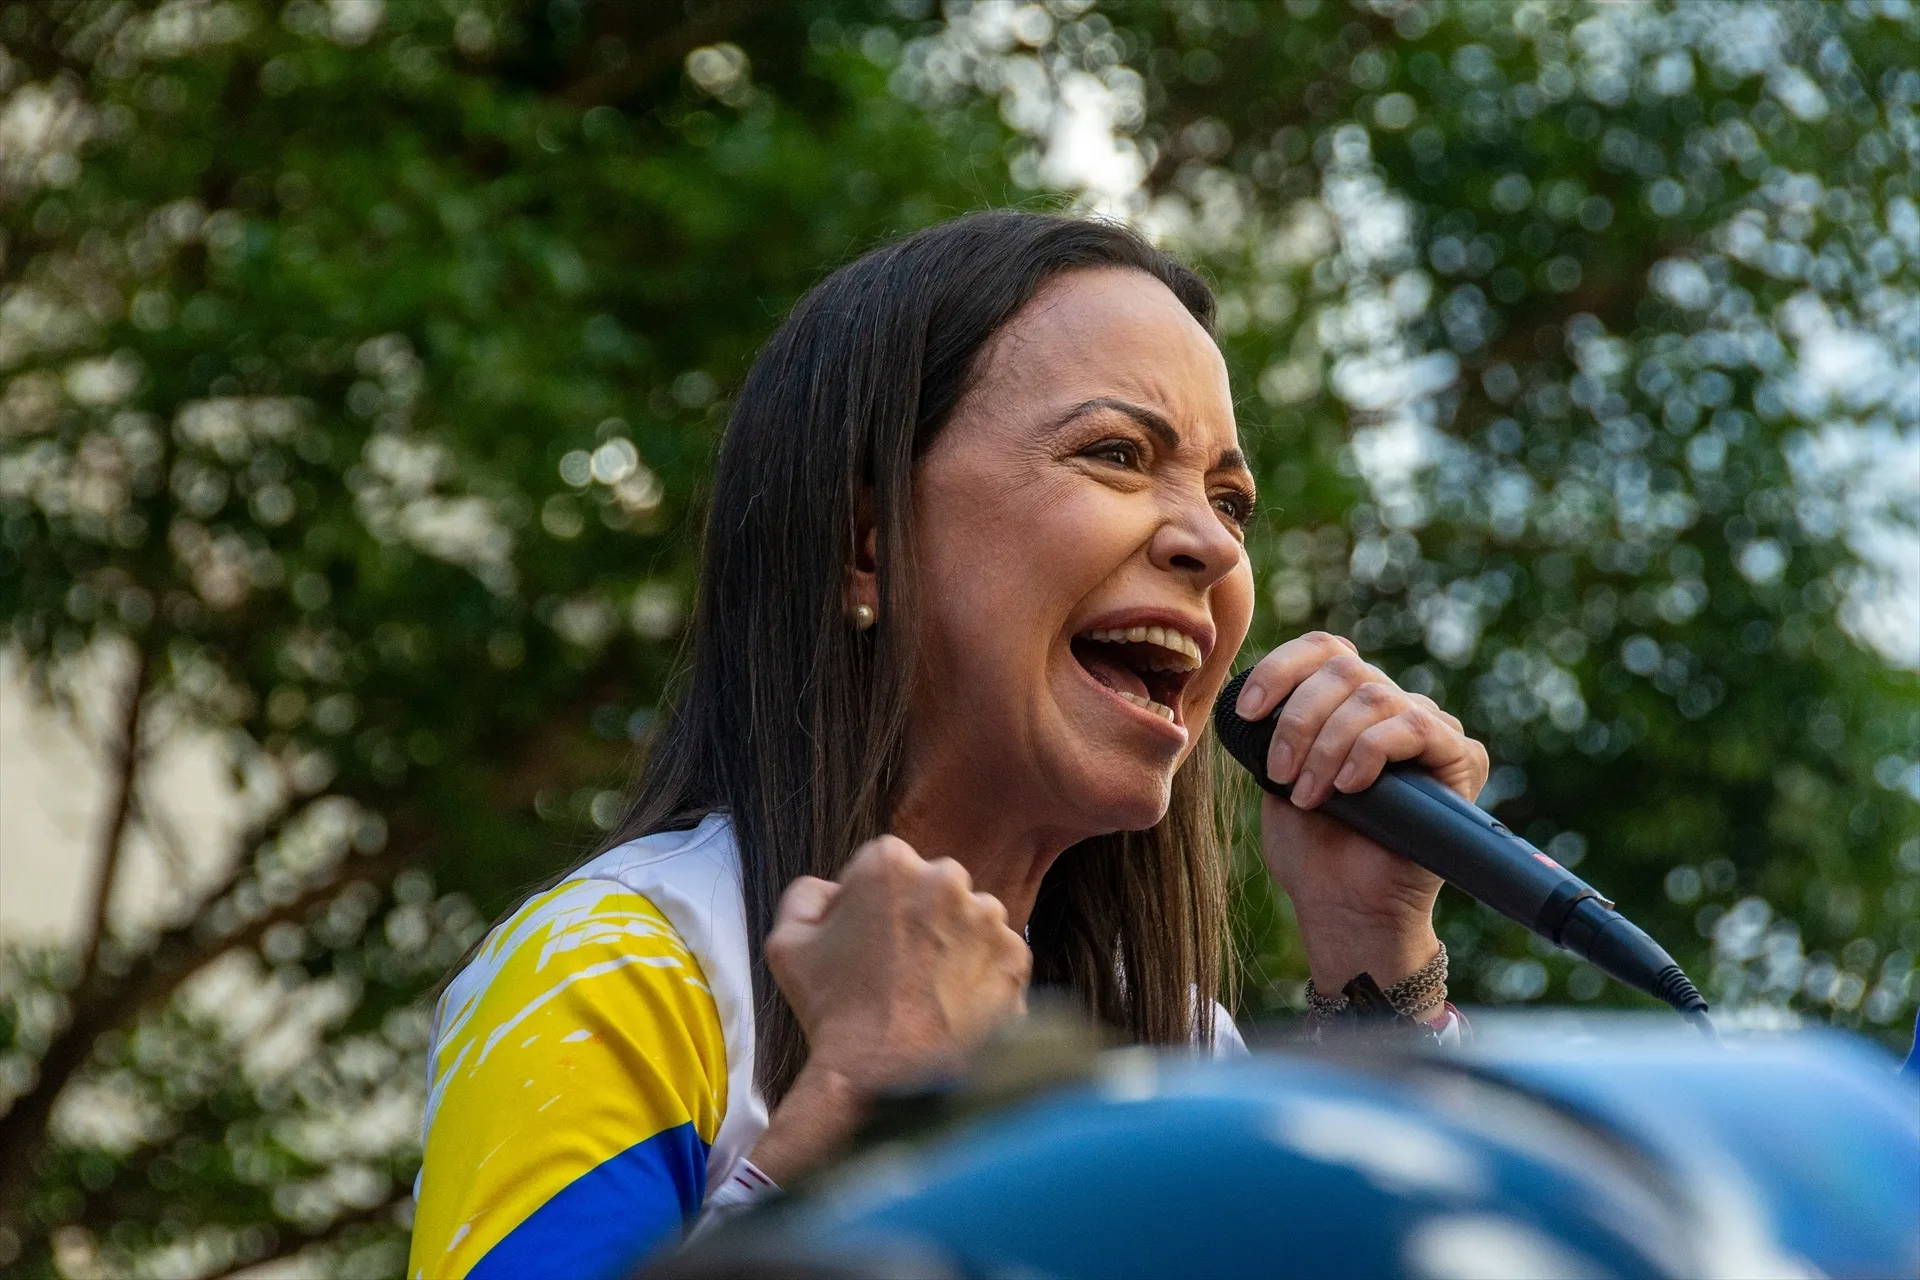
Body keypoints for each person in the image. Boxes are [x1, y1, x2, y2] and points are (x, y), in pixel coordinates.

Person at [404, 212, 1490, 1280]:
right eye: (1115, 453)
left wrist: (1375, 962)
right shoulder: (621, 968)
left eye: (1230, 499)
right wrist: (862, 1112)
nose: (1209, 541)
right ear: (867, 545)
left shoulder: (1178, 1048)